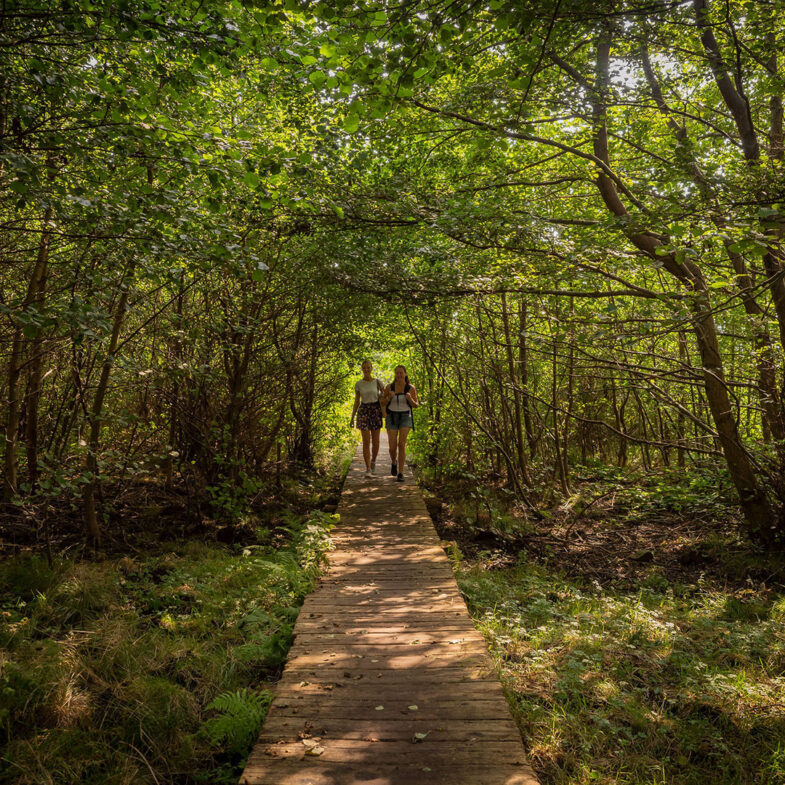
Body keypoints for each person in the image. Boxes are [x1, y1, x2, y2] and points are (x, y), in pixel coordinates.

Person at [381, 364, 418, 482]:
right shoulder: (389, 387)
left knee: (402, 444)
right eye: (397, 373)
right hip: (391, 416)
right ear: (395, 374)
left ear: (405, 374)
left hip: (405, 416)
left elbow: (416, 405)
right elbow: (382, 402)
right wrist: (388, 398)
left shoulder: (411, 388)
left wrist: (410, 399)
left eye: (401, 372)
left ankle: (401, 473)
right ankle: (393, 462)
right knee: (392, 447)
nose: (399, 375)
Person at [350, 360, 385, 478]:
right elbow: (356, 401)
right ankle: (368, 468)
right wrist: (352, 417)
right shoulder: (359, 384)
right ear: (362, 369)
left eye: (368, 367)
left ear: (371, 368)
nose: (366, 369)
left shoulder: (378, 382)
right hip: (363, 411)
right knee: (366, 441)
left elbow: (385, 397)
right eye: (364, 368)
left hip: (375, 410)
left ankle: (373, 461)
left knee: (376, 441)